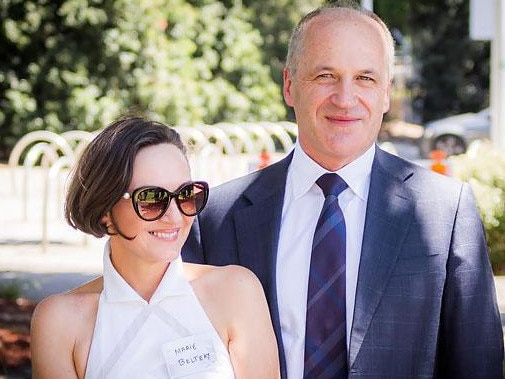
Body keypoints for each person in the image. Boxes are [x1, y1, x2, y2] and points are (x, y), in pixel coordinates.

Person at [183, 2, 504, 379]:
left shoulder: (445, 213)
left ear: (386, 93)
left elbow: (477, 367)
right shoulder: (216, 217)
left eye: (365, 78)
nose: (345, 98)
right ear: (289, 85)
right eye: (325, 75)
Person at [30, 116, 280, 379]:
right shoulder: (59, 321)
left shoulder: (236, 290)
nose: (174, 217)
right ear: (105, 209)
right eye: (152, 199)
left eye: (186, 195)